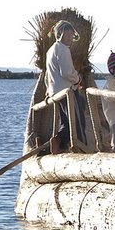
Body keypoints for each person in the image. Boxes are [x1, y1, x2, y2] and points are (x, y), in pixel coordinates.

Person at [45, 20, 87, 153]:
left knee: (66, 122)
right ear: (59, 34)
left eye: (71, 35)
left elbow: (48, 76)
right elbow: (67, 72)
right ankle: (81, 148)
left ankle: (58, 141)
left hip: (56, 91)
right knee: (77, 122)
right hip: (66, 92)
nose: (69, 38)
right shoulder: (63, 49)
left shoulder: (51, 50)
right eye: (66, 35)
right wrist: (78, 79)